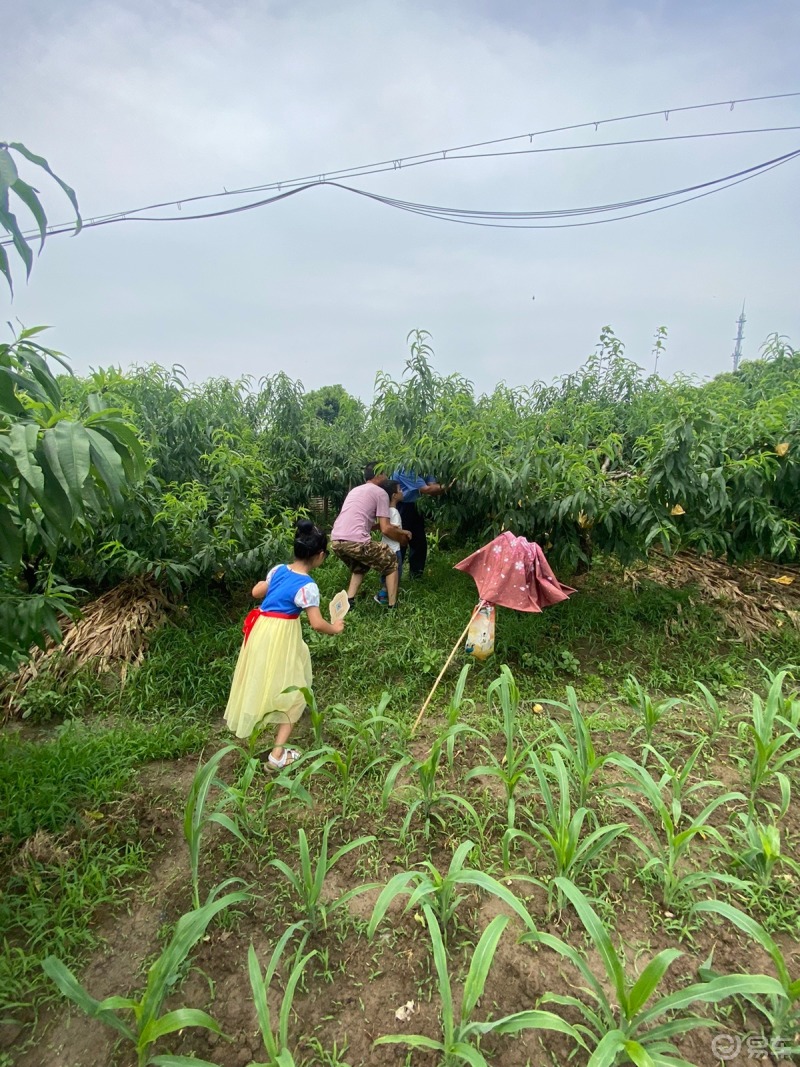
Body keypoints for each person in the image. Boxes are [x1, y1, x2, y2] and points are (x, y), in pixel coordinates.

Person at [223, 519, 344, 769]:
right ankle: (277, 755)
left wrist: (262, 586)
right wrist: (336, 628)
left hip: (260, 630)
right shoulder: (308, 586)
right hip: (282, 635)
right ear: (320, 556)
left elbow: (257, 593)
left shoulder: (278, 570)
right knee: (295, 690)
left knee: (262, 677)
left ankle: (262, 725)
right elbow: (317, 623)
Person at [330, 463, 407, 608]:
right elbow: (386, 529)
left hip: (336, 541)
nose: (387, 476)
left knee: (360, 565)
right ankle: (392, 605)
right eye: (384, 473)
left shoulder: (355, 490)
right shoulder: (381, 493)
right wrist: (402, 537)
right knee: (390, 558)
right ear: (378, 475)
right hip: (355, 542)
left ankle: (349, 602)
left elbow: (364, 522)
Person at [391, 469, 447, 580]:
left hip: (416, 506)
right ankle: (393, 576)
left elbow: (432, 485)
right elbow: (427, 489)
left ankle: (416, 576)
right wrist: (450, 484)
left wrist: (441, 487)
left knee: (419, 541)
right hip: (402, 506)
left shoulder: (425, 465)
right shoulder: (405, 468)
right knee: (400, 541)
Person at [374, 480, 406, 604]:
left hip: (385, 547)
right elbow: (394, 531)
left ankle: (384, 595)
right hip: (394, 549)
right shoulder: (394, 512)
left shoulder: (386, 512)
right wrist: (404, 535)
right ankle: (383, 596)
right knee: (395, 573)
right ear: (394, 495)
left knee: (386, 572)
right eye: (400, 489)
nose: (402, 492)